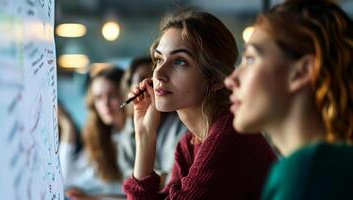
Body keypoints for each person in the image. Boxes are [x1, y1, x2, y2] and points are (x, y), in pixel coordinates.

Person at [123, 8, 277, 199]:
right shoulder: (188, 145)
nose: (158, 74)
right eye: (159, 59)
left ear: (216, 79)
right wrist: (145, 135)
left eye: (179, 61)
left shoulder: (229, 136)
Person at [224, 0, 353, 199]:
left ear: (300, 73)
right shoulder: (333, 165)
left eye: (250, 59)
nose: (230, 80)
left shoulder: (306, 172)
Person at [118, 56, 188, 187]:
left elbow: (173, 181)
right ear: (130, 87)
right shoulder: (129, 128)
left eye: (152, 81)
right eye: (141, 80)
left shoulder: (181, 124)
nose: (153, 86)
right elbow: (128, 181)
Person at [59, 67, 127, 199]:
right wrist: (67, 126)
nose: (105, 104)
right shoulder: (107, 136)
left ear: (125, 95)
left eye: (112, 95)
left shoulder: (136, 137)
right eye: (98, 97)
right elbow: (65, 177)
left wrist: (94, 198)